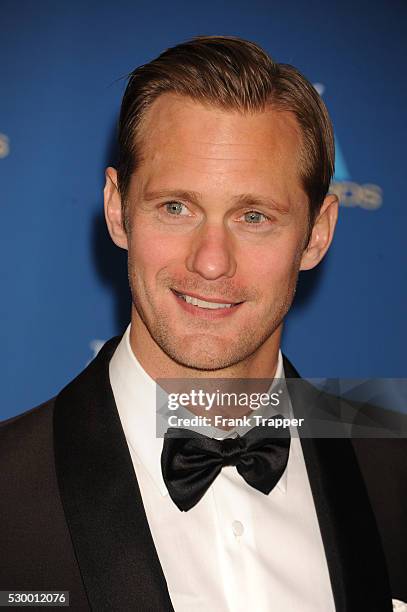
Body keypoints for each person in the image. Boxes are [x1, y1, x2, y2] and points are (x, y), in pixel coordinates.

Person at [1, 36, 406, 611]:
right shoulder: (7, 490)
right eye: (176, 208)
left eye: (254, 216)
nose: (210, 261)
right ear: (117, 210)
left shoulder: (393, 471)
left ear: (317, 233)